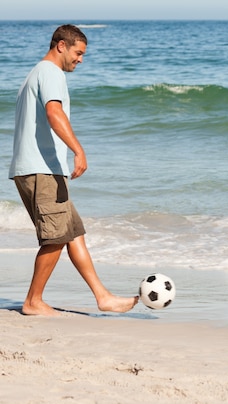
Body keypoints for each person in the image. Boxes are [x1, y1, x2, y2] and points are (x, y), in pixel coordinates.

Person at [9, 24, 138, 316]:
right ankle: (33, 301)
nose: (80, 59)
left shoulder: (36, 73)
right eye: (78, 53)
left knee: (73, 233)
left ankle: (102, 296)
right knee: (55, 237)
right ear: (61, 46)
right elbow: (54, 113)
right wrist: (78, 150)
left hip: (41, 169)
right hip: (41, 170)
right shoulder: (50, 72)